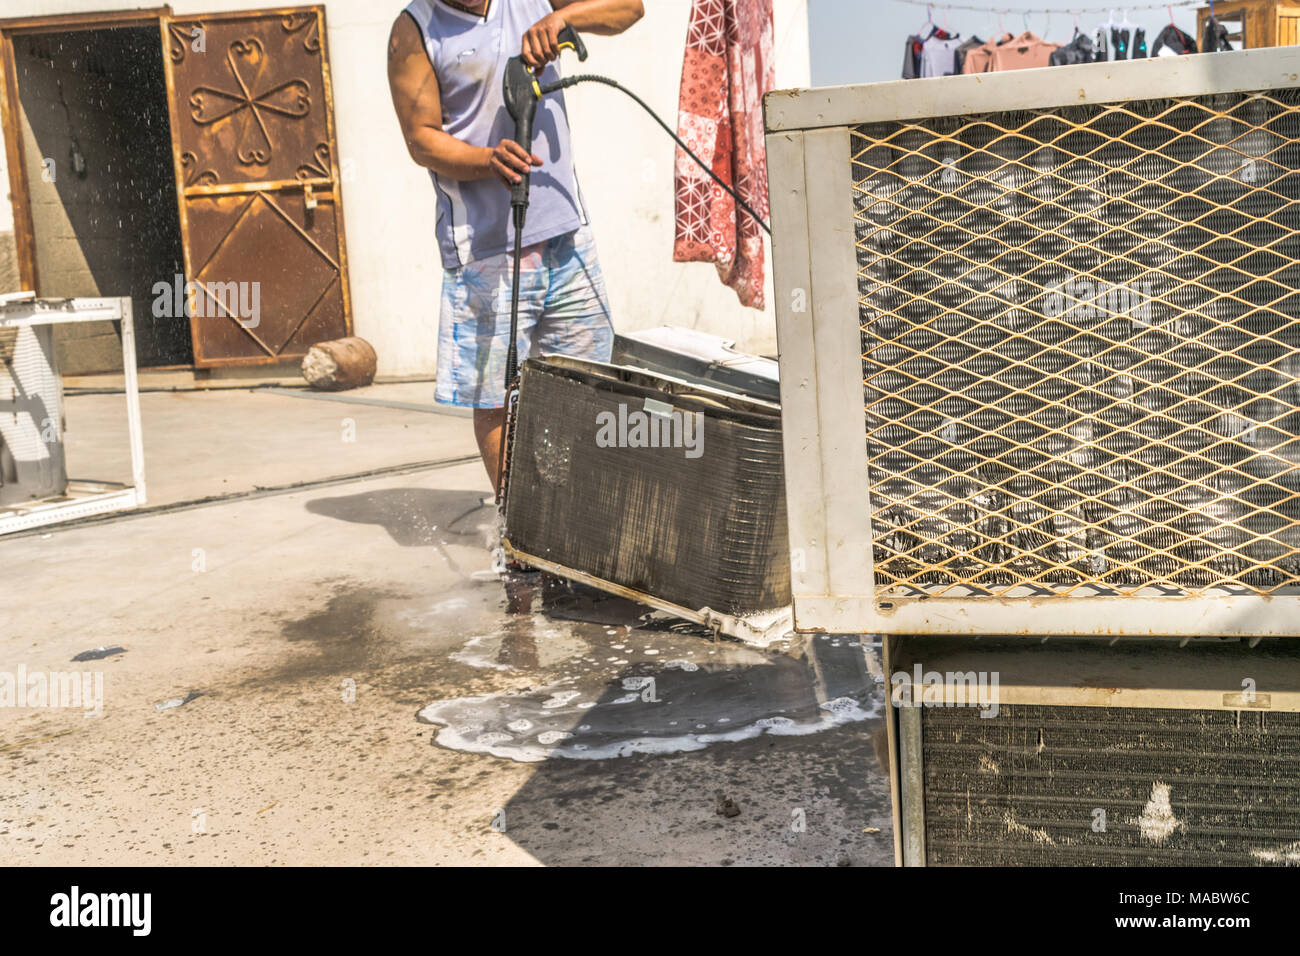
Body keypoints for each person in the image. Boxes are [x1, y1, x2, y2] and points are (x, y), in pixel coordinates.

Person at [388, 0, 644, 489]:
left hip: (566, 235)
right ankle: (518, 527)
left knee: (591, 387)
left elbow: (629, 8)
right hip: (484, 251)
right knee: (496, 397)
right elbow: (421, 138)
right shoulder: (414, 30)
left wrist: (563, 19)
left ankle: (576, 516)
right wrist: (486, 160)